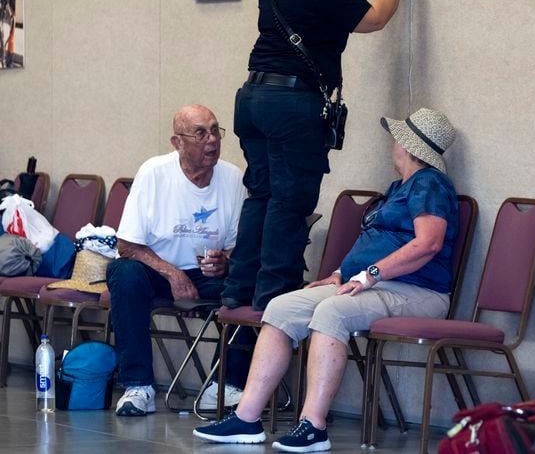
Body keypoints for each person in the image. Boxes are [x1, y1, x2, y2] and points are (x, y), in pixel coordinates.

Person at [195, 108, 458, 451]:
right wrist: (339, 275)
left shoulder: (431, 184)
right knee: (282, 307)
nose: (392, 144)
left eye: (397, 138)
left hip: (416, 290)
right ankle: (246, 419)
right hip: (368, 284)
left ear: (406, 146)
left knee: (333, 313)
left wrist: (370, 275)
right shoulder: (399, 187)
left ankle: (313, 426)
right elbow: (376, 243)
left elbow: (427, 243)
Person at [220, 0, 428, 313]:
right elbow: (373, 19)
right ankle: (272, 306)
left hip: (253, 100)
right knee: (290, 203)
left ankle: (237, 296)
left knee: (261, 195)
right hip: (291, 106)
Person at [107, 104, 253, 417]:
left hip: (206, 275)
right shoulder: (154, 173)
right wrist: (174, 275)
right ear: (178, 143)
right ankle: (138, 386)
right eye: (201, 133)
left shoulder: (232, 178)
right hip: (157, 272)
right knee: (123, 272)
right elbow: (126, 245)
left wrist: (225, 262)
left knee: (253, 281)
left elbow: (237, 249)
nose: (212, 140)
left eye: (215, 130)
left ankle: (225, 384)